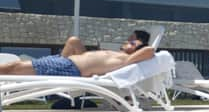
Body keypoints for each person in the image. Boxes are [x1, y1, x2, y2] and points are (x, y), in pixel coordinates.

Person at [0, 30, 154, 78]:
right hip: (64, 62)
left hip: (68, 68)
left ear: (138, 46)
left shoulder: (128, 59)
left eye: (131, 41)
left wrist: (129, 59)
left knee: (14, 67)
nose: (126, 43)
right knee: (74, 40)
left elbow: (150, 50)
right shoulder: (120, 54)